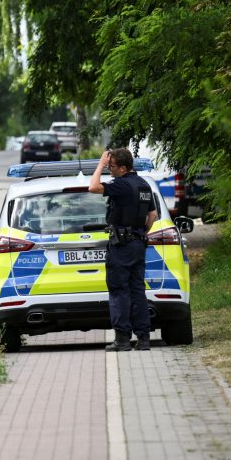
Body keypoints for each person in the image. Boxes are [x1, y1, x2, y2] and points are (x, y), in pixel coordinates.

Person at [89, 148, 158, 352]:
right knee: (137, 290)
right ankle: (143, 338)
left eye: (111, 167)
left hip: (122, 246)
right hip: (138, 243)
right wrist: (140, 232)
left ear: (122, 167)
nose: (109, 171)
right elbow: (152, 215)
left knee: (119, 290)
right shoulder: (144, 185)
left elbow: (93, 187)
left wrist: (100, 164)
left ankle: (122, 340)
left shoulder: (121, 184)